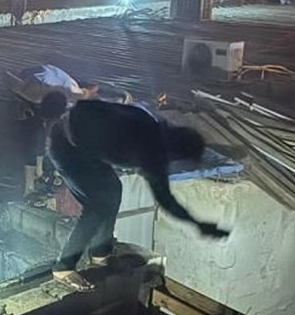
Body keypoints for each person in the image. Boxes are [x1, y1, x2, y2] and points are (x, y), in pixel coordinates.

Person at [47, 99, 230, 291]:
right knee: (98, 205)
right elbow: (166, 200)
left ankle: (100, 252)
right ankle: (64, 267)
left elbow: (165, 198)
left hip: (88, 150)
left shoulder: (147, 125)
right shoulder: (149, 144)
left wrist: (196, 223)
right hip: (65, 145)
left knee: (113, 191)